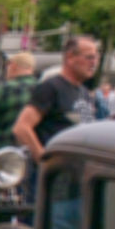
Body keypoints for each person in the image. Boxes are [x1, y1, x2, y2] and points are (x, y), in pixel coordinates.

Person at [12, 35, 99, 168]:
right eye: (89, 57)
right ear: (70, 57)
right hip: (55, 177)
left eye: (96, 57)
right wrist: (44, 160)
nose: (94, 62)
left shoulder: (84, 93)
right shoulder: (51, 87)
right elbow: (21, 127)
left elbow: (87, 128)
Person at [0, 52, 38, 149]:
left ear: (13, 66)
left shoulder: (4, 90)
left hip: (7, 151)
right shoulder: (43, 88)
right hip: (34, 151)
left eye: (7, 66)